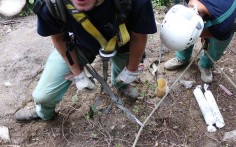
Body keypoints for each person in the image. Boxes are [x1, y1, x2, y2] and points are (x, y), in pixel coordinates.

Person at [14, 0, 157, 122]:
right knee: (43, 96)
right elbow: (58, 38)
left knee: (125, 76)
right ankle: (43, 113)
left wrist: (131, 69)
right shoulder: (51, 4)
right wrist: (78, 74)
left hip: (122, 42)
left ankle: (121, 85)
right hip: (78, 44)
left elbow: (139, 36)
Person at [161, 0, 236, 83]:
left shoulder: (223, 24)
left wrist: (193, 34)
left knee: (216, 45)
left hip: (228, 13)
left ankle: (206, 65)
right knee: (186, 31)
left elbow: (205, 33)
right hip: (214, 8)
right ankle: (182, 57)